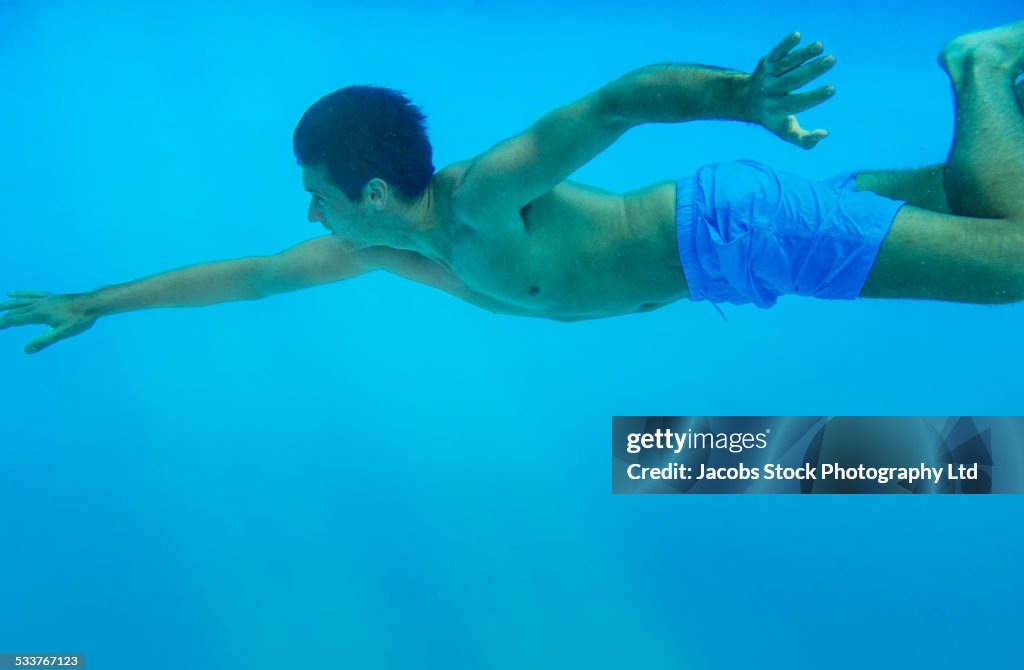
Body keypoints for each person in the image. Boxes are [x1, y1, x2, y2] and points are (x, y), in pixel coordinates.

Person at [3, 23, 1023, 355]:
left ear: (364, 187)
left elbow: (616, 102)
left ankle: (978, 66)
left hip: (745, 228)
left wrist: (742, 95)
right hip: (735, 249)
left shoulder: (479, 198)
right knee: (968, 198)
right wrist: (95, 302)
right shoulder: (387, 246)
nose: (304, 212)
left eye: (312, 191)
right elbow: (252, 278)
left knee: (1011, 264)